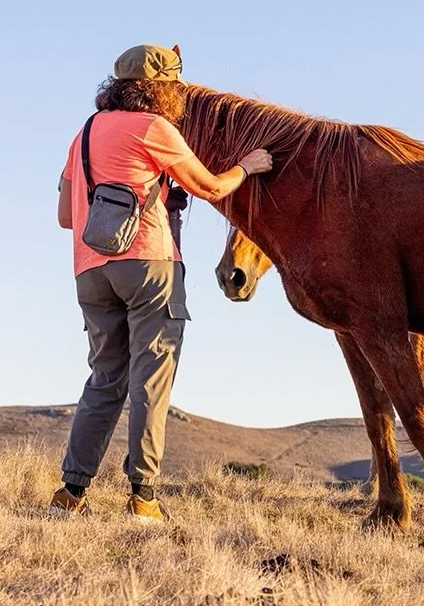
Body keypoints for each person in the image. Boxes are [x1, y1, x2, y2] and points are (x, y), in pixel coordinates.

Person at [50, 44, 272, 522]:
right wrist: (247, 167)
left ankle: (71, 491)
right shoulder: (155, 128)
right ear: (162, 88)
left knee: (104, 378)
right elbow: (211, 187)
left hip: (90, 270)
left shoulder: (81, 135)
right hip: (150, 264)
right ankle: (143, 497)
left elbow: (67, 217)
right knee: (150, 378)